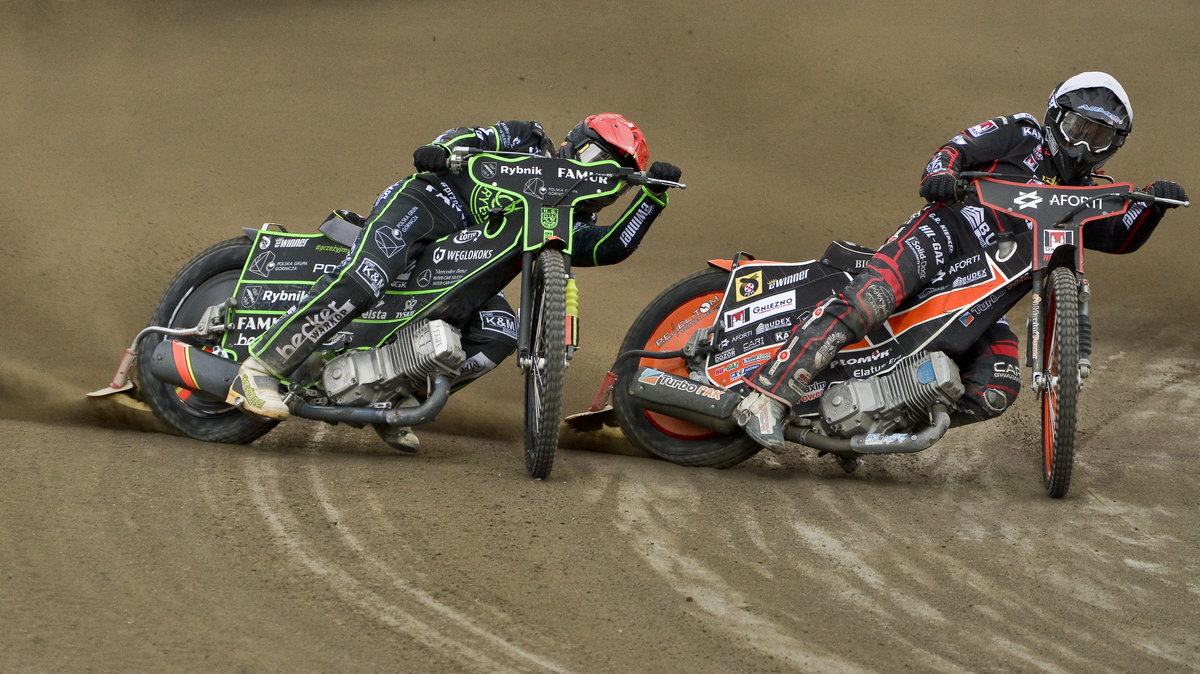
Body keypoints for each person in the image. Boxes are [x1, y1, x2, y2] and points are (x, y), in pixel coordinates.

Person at [735, 71, 1189, 451]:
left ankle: (872, 421)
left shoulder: (1088, 193)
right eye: (1077, 130)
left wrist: (1153, 207)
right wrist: (940, 175)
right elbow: (955, 149)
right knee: (870, 298)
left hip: (984, 294)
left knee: (999, 387)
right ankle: (768, 397)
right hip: (945, 235)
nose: (1085, 147)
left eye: (1101, 137)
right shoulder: (1022, 131)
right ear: (1055, 118)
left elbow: (1117, 236)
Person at [228, 114, 682, 450]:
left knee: (500, 332)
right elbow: (471, 137)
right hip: (430, 202)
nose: (598, 173)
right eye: (595, 155)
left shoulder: (565, 217)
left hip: (462, 259)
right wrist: (441, 149)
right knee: (367, 277)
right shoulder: (529, 138)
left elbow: (610, 247)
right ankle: (260, 368)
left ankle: (393, 398)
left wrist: (651, 197)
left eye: (613, 174)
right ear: (573, 142)